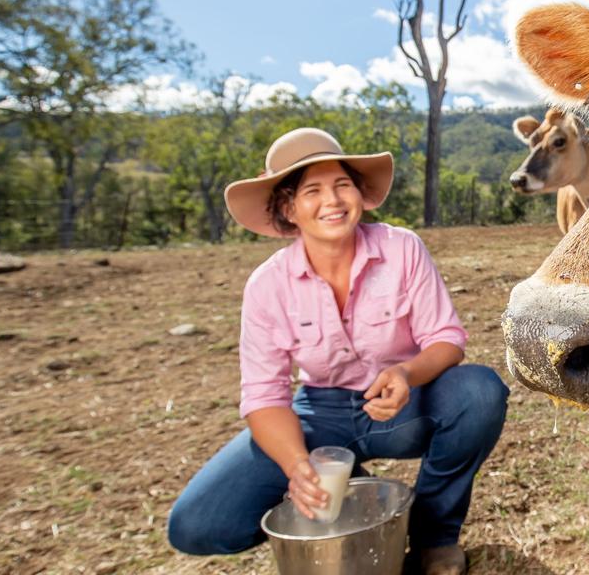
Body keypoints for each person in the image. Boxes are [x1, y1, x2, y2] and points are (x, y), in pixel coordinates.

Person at [167, 127, 507, 575]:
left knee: (480, 393)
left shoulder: (402, 248)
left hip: (401, 406)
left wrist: (406, 373)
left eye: (342, 184)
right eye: (312, 190)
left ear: (360, 194)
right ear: (288, 208)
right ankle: (354, 496)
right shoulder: (267, 285)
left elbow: (446, 339)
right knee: (196, 524)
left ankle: (432, 537)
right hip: (317, 414)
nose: (332, 200)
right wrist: (297, 466)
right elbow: (264, 396)